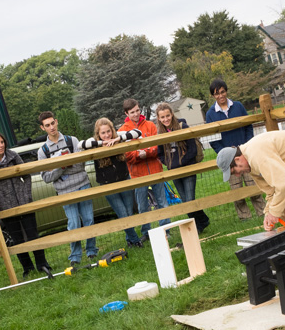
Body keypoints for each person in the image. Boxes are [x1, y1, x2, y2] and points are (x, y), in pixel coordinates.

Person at [215, 129, 285, 229]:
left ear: (238, 159)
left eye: (234, 171)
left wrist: (274, 212)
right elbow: (272, 191)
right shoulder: (250, 166)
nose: (238, 176)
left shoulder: (256, 155)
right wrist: (268, 213)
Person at [0, 130, 53, 279]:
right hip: (5, 207)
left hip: (24, 202)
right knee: (17, 239)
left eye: (2, 142)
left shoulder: (14, 156)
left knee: (33, 234)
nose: (1, 146)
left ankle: (42, 264)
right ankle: (27, 268)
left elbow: (26, 176)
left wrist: (26, 195)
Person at [37, 112, 98, 265]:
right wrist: (62, 166)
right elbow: (46, 178)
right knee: (74, 224)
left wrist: (58, 168)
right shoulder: (42, 151)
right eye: (47, 125)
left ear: (56, 122)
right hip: (64, 191)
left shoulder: (72, 140)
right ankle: (75, 256)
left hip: (82, 184)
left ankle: (91, 251)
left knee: (89, 219)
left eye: (52, 123)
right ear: (42, 128)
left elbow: (80, 165)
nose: (51, 127)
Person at [205, 78, 265, 220]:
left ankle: (262, 211)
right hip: (229, 157)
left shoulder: (238, 106)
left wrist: (247, 145)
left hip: (245, 152)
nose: (220, 96)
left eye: (222, 92)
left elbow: (248, 126)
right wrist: (224, 152)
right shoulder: (211, 114)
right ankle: (244, 216)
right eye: (216, 94)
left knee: (253, 183)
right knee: (236, 189)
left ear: (226, 91)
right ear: (213, 96)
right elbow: (213, 139)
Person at [79, 118, 143, 248]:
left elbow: (138, 132)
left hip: (124, 179)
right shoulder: (93, 142)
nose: (107, 135)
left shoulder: (118, 136)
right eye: (103, 133)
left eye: (108, 131)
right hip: (108, 185)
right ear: (98, 134)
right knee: (122, 213)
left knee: (129, 212)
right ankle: (136, 240)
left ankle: (130, 240)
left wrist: (118, 139)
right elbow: (80, 145)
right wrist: (100, 143)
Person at [118, 98, 170, 242]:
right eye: (132, 112)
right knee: (142, 205)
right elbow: (127, 154)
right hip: (137, 174)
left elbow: (156, 146)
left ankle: (165, 229)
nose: (136, 114)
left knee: (162, 201)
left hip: (155, 169)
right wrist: (137, 155)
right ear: (126, 113)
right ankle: (147, 232)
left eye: (137, 110)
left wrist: (146, 153)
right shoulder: (122, 131)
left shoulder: (150, 125)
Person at [155, 103, 210, 234]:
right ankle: (203, 220)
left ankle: (197, 226)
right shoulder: (160, 133)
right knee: (185, 201)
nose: (166, 119)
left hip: (187, 169)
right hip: (174, 172)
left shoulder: (182, 126)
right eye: (162, 117)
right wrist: (168, 163)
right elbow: (160, 153)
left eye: (168, 115)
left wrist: (181, 162)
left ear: (172, 114)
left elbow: (192, 149)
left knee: (190, 199)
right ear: (158, 118)